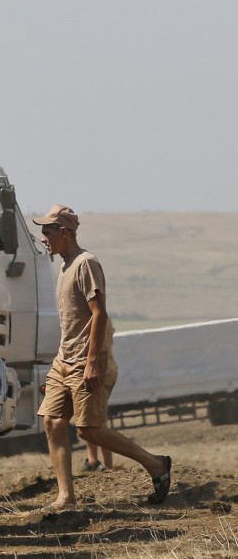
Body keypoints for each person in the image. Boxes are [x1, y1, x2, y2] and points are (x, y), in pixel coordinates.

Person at [33, 204, 171, 508]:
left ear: (64, 232)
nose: (43, 238)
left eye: (47, 232)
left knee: (89, 430)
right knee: (53, 423)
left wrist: (93, 361)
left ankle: (155, 464)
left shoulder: (86, 263)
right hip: (64, 359)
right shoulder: (65, 265)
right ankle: (66, 496)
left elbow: (99, 313)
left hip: (86, 360)